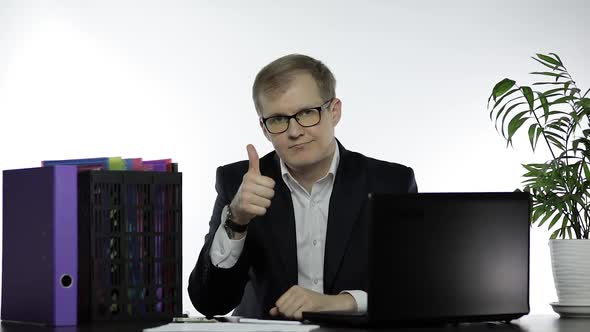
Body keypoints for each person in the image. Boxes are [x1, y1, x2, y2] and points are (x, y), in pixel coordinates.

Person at [188, 54, 417, 320]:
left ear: (334, 111)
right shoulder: (240, 183)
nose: (294, 131)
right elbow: (209, 302)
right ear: (264, 128)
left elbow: (414, 290)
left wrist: (343, 302)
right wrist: (236, 221)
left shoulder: (391, 182)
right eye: (277, 119)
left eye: (307, 113)